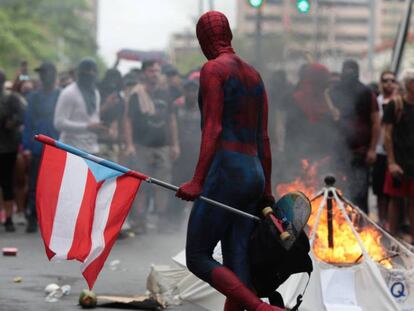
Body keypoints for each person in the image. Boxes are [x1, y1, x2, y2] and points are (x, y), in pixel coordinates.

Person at [175, 11, 283, 311]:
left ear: (203, 40)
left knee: (197, 256)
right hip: (254, 172)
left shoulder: (213, 70)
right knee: (237, 262)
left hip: (227, 171)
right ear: (229, 36)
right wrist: (267, 189)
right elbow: (263, 138)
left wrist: (198, 180)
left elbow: (213, 128)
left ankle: (261, 309)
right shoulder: (254, 75)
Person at [124, 60, 180, 233]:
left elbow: (171, 120)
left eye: (157, 70)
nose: (154, 73)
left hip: (162, 146)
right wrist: (130, 144)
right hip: (141, 146)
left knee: (163, 185)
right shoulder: (136, 94)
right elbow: (128, 120)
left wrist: (175, 144)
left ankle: (161, 221)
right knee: (140, 185)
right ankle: (140, 221)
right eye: (151, 71)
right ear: (144, 74)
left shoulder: (166, 93)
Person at [329, 60, 380, 214]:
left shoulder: (366, 92)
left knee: (360, 192)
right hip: (339, 150)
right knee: (340, 190)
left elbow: (375, 122)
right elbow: (327, 122)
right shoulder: (333, 93)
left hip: (361, 152)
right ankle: (342, 225)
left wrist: (372, 149)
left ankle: (362, 228)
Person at [22, 62, 60, 233]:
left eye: (46, 72)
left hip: (58, 146)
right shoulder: (34, 97)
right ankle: (32, 217)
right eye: (41, 73)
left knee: (55, 185)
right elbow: (28, 122)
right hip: (38, 146)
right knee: (34, 184)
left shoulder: (61, 95)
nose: (43, 76)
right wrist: (27, 147)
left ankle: (52, 219)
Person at [383, 69, 414, 243]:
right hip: (398, 160)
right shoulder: (396, 105)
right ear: (410, 84)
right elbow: (387, 135)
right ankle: (392, 240)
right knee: (395, 200)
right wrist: (391, 162)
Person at [54, 58, 106, 154]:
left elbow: (93, 119)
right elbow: (59, 123)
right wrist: (87, 127)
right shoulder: (69, 93)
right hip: (70, 149)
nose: (90, 73)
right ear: (79, 73)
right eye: (87, 70)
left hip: (91, 150)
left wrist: (100, 129)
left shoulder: (96, 93)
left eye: (94, 71)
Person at [167, 79, 201, 231]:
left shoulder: (204, 107)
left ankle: (196, 223)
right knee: (178, 186)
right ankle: (174, 221)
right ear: (184, 91)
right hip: (181, 153)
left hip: (198, 153)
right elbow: (172, 126)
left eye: (194, 90)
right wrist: (174, 145)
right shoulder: (176, 107)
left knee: (199, 188)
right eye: (188, 90)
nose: (191, 93)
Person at [0, 69, 26, 232]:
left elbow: (23, 113)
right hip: (7, 145)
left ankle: (9, 218)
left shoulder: (11, 98)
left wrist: (13, 122)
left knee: (7, 182)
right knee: (6, 182)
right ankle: (7, 217)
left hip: (7, 146)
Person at [372, 71, 398, 227]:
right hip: (380, 151)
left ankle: (393, 224)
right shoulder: (376, 101)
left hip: (396, 154)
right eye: (386, 80)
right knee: (380, 189)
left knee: (394, 192)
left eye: (392, 80)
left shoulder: (400, 102)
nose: (389, 83)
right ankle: (381, 223)